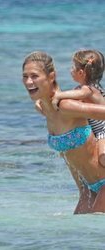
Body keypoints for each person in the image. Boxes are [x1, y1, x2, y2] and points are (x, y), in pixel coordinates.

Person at [22, 51, 105, 214]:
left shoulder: (66, 105)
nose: (28, 81)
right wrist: (83, 192)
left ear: (51, 76)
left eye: (34, 76)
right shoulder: (45, 109)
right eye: (25, 76)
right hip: (89, 189)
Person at [50, 50, 105, 167]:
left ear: (81, 73)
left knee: (103, 157)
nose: (70, 70)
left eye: (72, 67)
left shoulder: (88, 89)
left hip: (103, 131)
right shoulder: (82, 89)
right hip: (95, 132)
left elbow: (79, 95)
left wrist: (58, 96)